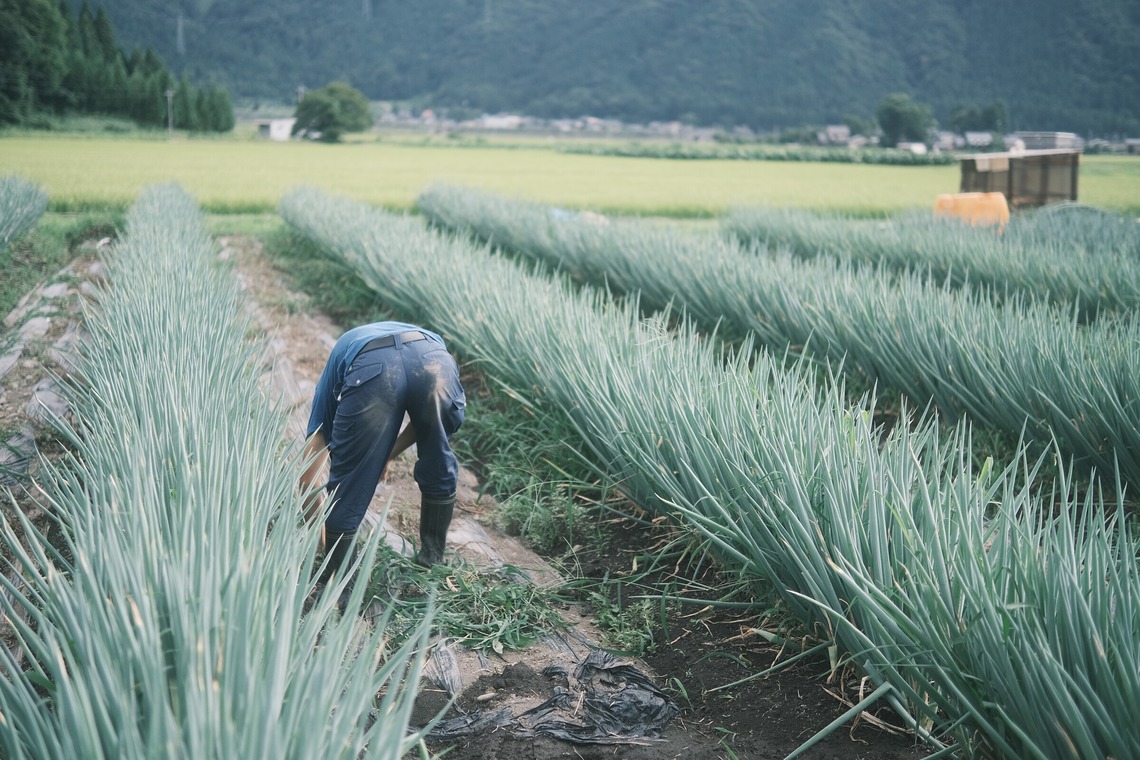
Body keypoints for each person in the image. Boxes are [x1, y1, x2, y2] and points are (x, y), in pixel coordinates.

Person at [298, 321, 466, 586]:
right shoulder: (426, 337)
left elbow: (307, 477)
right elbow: (426, 422)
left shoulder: (337, 364)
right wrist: (387, 453)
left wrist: (320, 537)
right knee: (438, 455)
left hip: (373, 368)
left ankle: (338, 586)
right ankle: (432, 563)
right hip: (434, 360)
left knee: (349, 483)